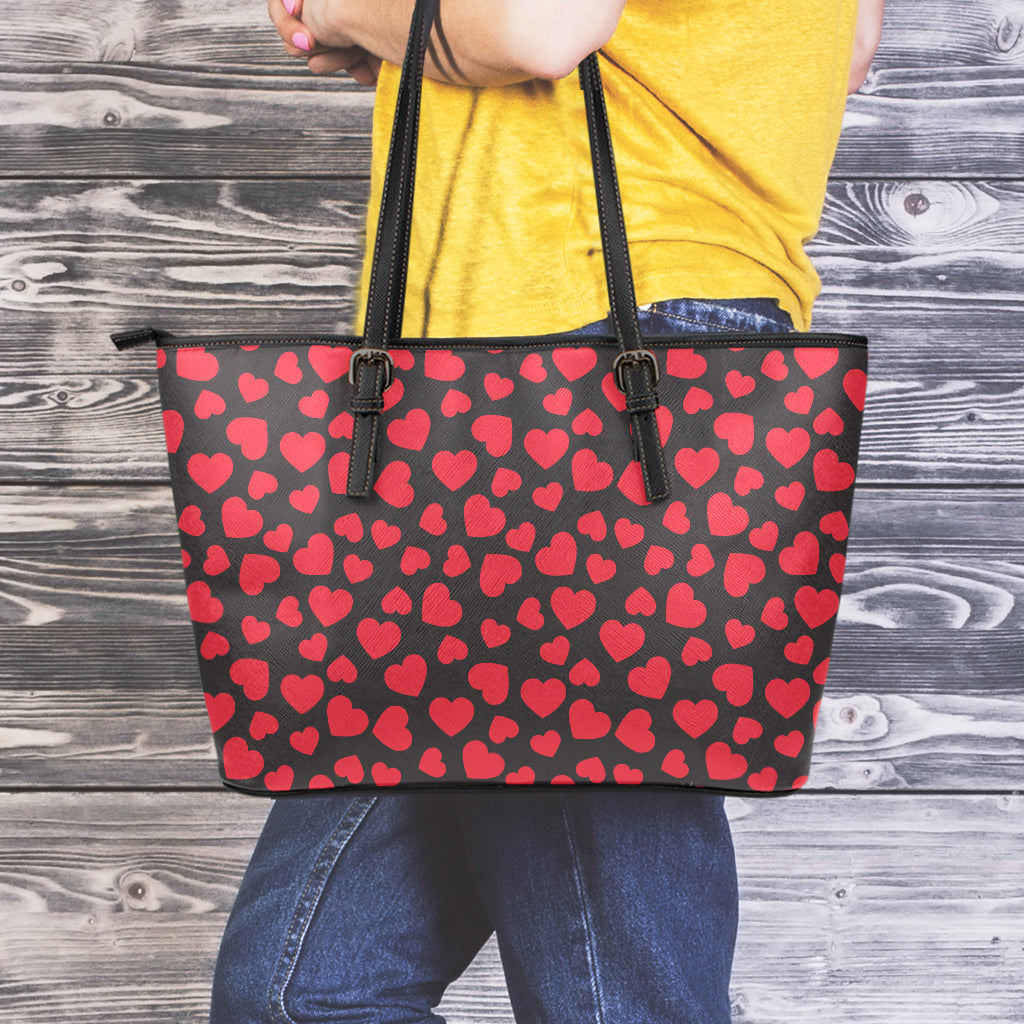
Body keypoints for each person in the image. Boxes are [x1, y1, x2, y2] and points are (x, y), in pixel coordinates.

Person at [209, 2, 884, 1021]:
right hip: (532, 381)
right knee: (301, 994)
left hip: (578, 360)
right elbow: (838, 48)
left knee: (610, 999)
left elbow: (533, 27)